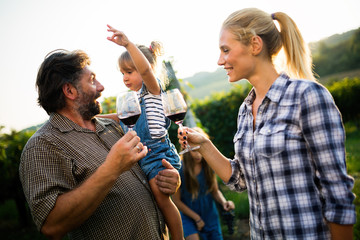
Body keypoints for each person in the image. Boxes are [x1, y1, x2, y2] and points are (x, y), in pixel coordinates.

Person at [178, 8, 356, 240]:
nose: (220, 60)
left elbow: (337, 191)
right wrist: (204, 145)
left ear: (254, 44)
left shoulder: (307, 96)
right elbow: (240, 180)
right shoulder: (245, 110)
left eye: (225, 50)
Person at [19, 48, 181, 240]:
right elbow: (51, 225)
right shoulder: (43, 145)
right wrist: (111, 168)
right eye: (92, 80)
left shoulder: (114, 127)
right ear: (70, 90)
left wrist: (170, 180)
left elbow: (149, 173)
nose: (102, 86)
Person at [102, 25, 183, 240]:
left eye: (130, 72)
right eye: (122, 73)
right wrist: (95, 118)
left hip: (159, 154)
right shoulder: (135, 99)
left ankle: (179, 237)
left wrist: (128, 44)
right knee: (155, 202)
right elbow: (119, 117)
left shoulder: (153, 91)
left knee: (162, 199)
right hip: (144, 157)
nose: (125, 78)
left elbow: (146, 71)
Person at [173, 127, 235, 240]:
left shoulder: (208, 165)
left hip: (209, 213)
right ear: (186, 147)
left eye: (200, 150)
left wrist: (224, 202)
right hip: (188, 215)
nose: (198, 155)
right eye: (194, 150)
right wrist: (196, 218)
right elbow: (176, 201)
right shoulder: (180, 169)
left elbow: (215, 191)